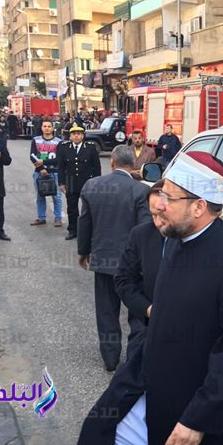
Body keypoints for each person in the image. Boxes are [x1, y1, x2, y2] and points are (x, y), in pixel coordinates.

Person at [74, 151, 223, 445]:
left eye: (169, 197)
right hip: (154, 393)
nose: (158, 204)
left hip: (196, 412)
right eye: (161, 193)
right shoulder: (177, 243)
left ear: (199, 207)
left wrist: (198, 420)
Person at [77, 145, 151, 372]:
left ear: (112, 162)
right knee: (137, 311)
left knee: (106, 310)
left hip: (103, 260)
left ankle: (110, 358)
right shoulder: (141, 190)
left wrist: (83, 251)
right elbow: (145, 229)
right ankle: (135, 359)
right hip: (133, 264)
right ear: (134, 165)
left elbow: (85, 222)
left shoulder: (92, 186)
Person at [113, 180, 166, 358]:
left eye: (162, 215)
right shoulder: (141, 235)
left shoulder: (192, 241)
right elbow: (124, 279)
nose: (157, 222)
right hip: (144, 327)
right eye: (153, 215)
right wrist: (148, 309)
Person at [57, 125, 101, 240]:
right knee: (72, 208)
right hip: (70, 182)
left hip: (87, 182)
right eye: (74, 134)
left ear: (83, 136)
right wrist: (61, 182)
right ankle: (73, 230)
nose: (76, 136)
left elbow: (96, 167)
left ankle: (89, 230)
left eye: (79, 134)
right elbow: (61, 167)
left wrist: (97, 183)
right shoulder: (64, 148)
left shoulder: (90, 148)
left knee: (89, 207)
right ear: (70, 136)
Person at [29, 119, 64, 227]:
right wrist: (41, 168)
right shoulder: (36, 140)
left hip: (55, 172)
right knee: (40, 196)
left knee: (57, 197)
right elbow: (32, 156)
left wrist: (44, 162)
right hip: (39, 172)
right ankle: (41, 218)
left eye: (49, 126)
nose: (47, 128)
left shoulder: (59, 142)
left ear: (53, 128)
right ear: (41, 128)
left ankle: (58, 219)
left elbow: (59, 159)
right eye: (45, 126)